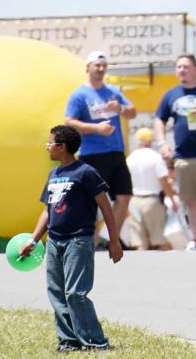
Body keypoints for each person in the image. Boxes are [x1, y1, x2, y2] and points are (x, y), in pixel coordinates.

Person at [19, 125, 122, 352]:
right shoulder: (53, 174)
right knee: (57, 293)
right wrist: (34, 240)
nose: (47, 147)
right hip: (55, 241)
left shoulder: (85, 172)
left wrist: (114, 240)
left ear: (62, 147)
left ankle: (95, 341)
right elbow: (47, 210)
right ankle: (68, 341)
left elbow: (105, 207)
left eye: (50, 143)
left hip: (79, 240)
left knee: (75, 293)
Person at [64, 50, 136, 241]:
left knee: (124, 196)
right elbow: (69, 122)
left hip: (116, 152)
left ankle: (112, 237)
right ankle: (92, 239)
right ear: (88, 67)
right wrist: (96, 128)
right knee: (93, 200)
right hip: (92, 154)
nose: (101, 69)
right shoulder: (79, 94)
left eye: (104, 65)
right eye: (97, 65)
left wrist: (119, 108)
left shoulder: (113, 92)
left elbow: (132, 113)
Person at [153, 54, 196, 250]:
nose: (182, 70)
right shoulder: (171, 94)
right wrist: (162, 143)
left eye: (186, 66)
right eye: (179, 67)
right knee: (191, 201)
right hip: (183, 156)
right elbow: (160, 119)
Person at [124, 128, 179, 251]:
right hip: (153, 202)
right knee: (161, 241)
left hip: (134, 202)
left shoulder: (130, 159)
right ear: (151, 141)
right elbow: (163, 182)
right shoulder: (155, 158)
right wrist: (173, 201)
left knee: (140, 243)